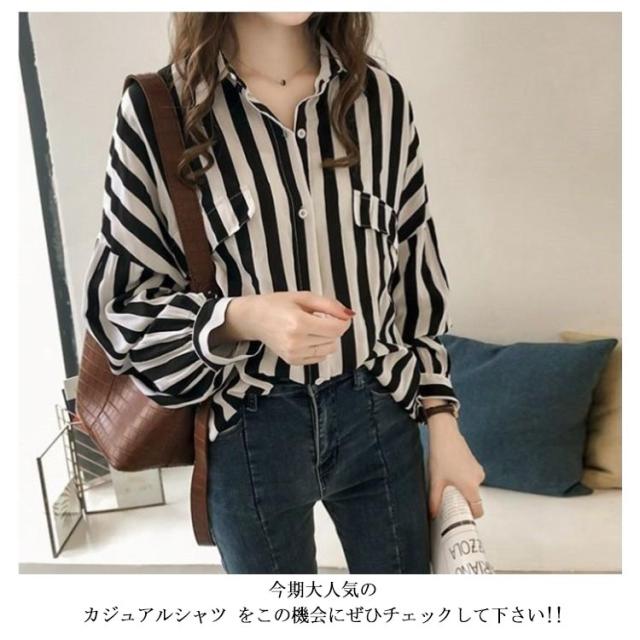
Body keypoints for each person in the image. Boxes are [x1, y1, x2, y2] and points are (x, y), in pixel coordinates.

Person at [81, 11, 485, 574]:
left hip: (377, 411)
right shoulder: (159, 112)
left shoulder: (381, 101)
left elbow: (415, 283)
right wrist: (240, 318)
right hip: (249, 424)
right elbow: (121, 309)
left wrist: (443, 421)